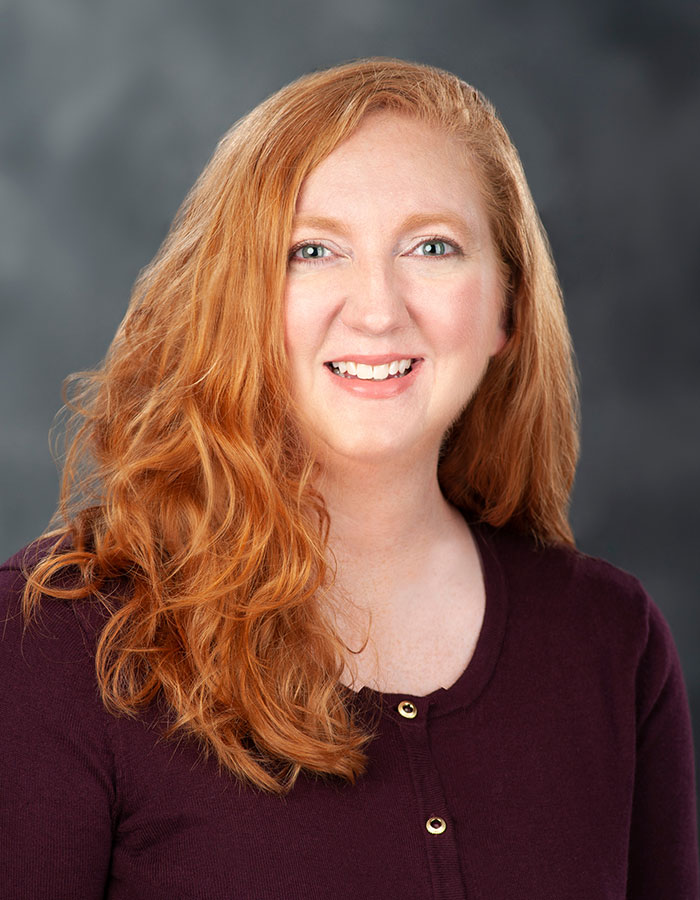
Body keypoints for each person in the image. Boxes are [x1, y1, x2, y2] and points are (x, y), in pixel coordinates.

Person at [1, 57, 697, 899]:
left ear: (508, 309)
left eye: (433, 247)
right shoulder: (56, 638)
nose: (376, 309)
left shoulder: (609, 642)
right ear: (237, 299)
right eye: (313, 250)